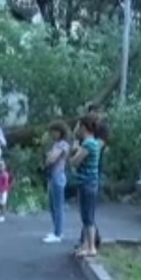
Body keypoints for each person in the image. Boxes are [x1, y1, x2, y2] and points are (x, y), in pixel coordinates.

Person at [75, 104, 109, 248]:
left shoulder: (102, 130)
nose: (94, 115)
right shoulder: (85, 133)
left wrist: (79, 150)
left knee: (89, 212)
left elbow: (98, 146)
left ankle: (92, 242)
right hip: (85, 173)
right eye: (91, 113)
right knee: (85, 212)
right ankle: (85, 242)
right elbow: (75, 141)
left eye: (96, 112)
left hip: (94, 171)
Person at [71, 116, 101, 257]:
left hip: (87, 183)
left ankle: (91, 247)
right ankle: (85, 245)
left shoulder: (88, 144)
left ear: (84, 127)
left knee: (88, 216)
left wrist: (75, 149)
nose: (77, 129)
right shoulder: (93, 142)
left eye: (79, 126)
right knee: (86, 215)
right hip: (88, 182)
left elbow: (75, 162)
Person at [43, 121, 71, 243]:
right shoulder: (56, 144)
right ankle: (56, 230)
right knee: (53, 205)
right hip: (52, 176)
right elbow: (48, 158)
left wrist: (49, 157)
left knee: (58, 205)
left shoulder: (63, 144)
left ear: (60, 132)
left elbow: (51, 159)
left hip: (58, 175)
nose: (52, 134)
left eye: (54, 132)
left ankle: (58, 233)